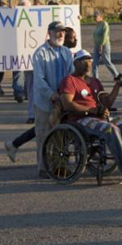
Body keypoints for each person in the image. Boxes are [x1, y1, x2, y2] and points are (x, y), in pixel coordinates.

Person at [58, 50, 122, 183]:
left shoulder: (95, 81)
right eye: (84, 61)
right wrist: (93, 110)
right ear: (76, 63)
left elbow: (106, 102)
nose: (88, 64)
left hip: (100, 117)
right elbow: (67, 104)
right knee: (110, 129)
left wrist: (117, 85)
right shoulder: (69, 81)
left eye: (90, 60)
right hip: (80, 119)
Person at [32, 21, 74, 178]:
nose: (61, 34)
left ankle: (60, 167)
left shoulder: (66, 52)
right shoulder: (40, 53)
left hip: (62, 103)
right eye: (57, 31)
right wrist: (52, 94)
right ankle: (43, 168)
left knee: (61, 137)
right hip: (44, 103)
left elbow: (71, 75)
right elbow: (39, 81)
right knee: (44, 135)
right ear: (49, 33)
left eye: (63, 31)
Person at [12, 0, 32, 103]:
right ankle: (19, 93)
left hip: (30, 49)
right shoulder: (13, 17)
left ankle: (27, 92)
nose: (25, 9)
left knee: (29, 73)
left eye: (27, 7)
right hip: (18, 48)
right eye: (22, 6)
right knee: (18, 72)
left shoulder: (34, 17)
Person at [91, 9, 120, 80]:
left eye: (96, 16)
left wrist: (101, 45)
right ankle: (95, 79)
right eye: (94, 16)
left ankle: (117, 76)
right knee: (94, 63)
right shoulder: (97, 25)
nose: (94, 18)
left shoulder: (105, 24)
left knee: (107, 62)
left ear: (101, 17)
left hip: (104, 45)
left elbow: (105, 36)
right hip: (97, 46)